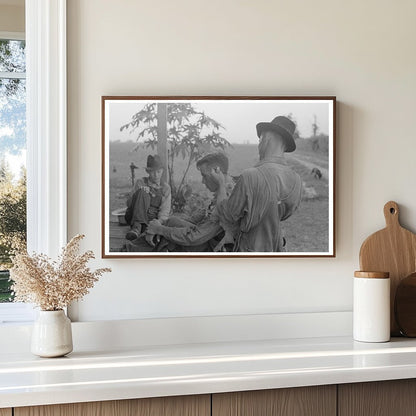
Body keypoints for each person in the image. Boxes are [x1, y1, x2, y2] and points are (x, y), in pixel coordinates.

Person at [214, 116, 302, 252]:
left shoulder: (250, 176)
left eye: (260, 139)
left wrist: (220, 185)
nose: (259, 144)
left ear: (266, 139)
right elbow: (283, 214)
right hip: (277, 248)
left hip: (249, 251)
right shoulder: (297, 180)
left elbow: (228, 215)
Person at [146, 153, 233, 252]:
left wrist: (160, 229)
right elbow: (195, 220)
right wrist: (162, 223)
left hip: (210, 250)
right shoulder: (220, 194)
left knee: (167, 235)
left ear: (217, 172)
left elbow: (195, 236)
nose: (203, 181)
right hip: (204, 240)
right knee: (172, 221)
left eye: (204, 176)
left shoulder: (225, 200)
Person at [125, 154, 171, 251]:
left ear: (162, 171)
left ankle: (145, 230)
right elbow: (129, 204)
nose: (156, 175)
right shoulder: (140, 182)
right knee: (142, 192)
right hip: (134, 217)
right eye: (153, 172)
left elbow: (164, 211)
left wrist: (158, 224)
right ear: (147, 171)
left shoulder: (165, 188)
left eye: (159, 172)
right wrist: (139, 192)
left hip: (151, 220)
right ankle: (137, 228)